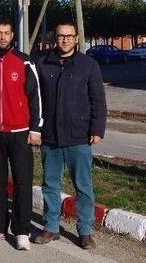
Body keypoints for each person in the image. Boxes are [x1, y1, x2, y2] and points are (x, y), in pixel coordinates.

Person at [32, 23, 107, 250]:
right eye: (61, 36)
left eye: (69, 36)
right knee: (50, 185)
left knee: (83, 187)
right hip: (51, 136)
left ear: (76, 39)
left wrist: (97, 129)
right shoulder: (42, 62)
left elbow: (98, 100)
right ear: (55, 38)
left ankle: (85, 231)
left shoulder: (88, 65)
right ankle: (51, 227)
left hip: (79, 137)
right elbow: (33, 96)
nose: (65, 40)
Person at [0, 17, 42, 251]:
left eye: (7, 33)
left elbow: (36, 97)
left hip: (21, 133)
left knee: (22, 182)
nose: (3, 37)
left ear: (13, 35)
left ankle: (22, 230)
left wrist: (36, 128)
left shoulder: (24, 62)